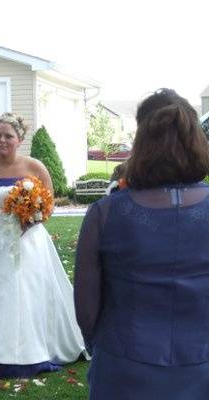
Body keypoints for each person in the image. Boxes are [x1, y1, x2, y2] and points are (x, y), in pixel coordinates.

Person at [75, 88, 209, 399]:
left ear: (141, 145)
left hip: (125, 365)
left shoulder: (105, 214)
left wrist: (103, 347)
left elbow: (86, 308)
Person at [0, 112, 85, 380]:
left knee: (23, 296)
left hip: (27, 242)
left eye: (8, 136)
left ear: (20, 139)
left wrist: (32, 216)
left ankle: (27, 352)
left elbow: (48, 206)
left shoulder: (35, 167)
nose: (2, 140)